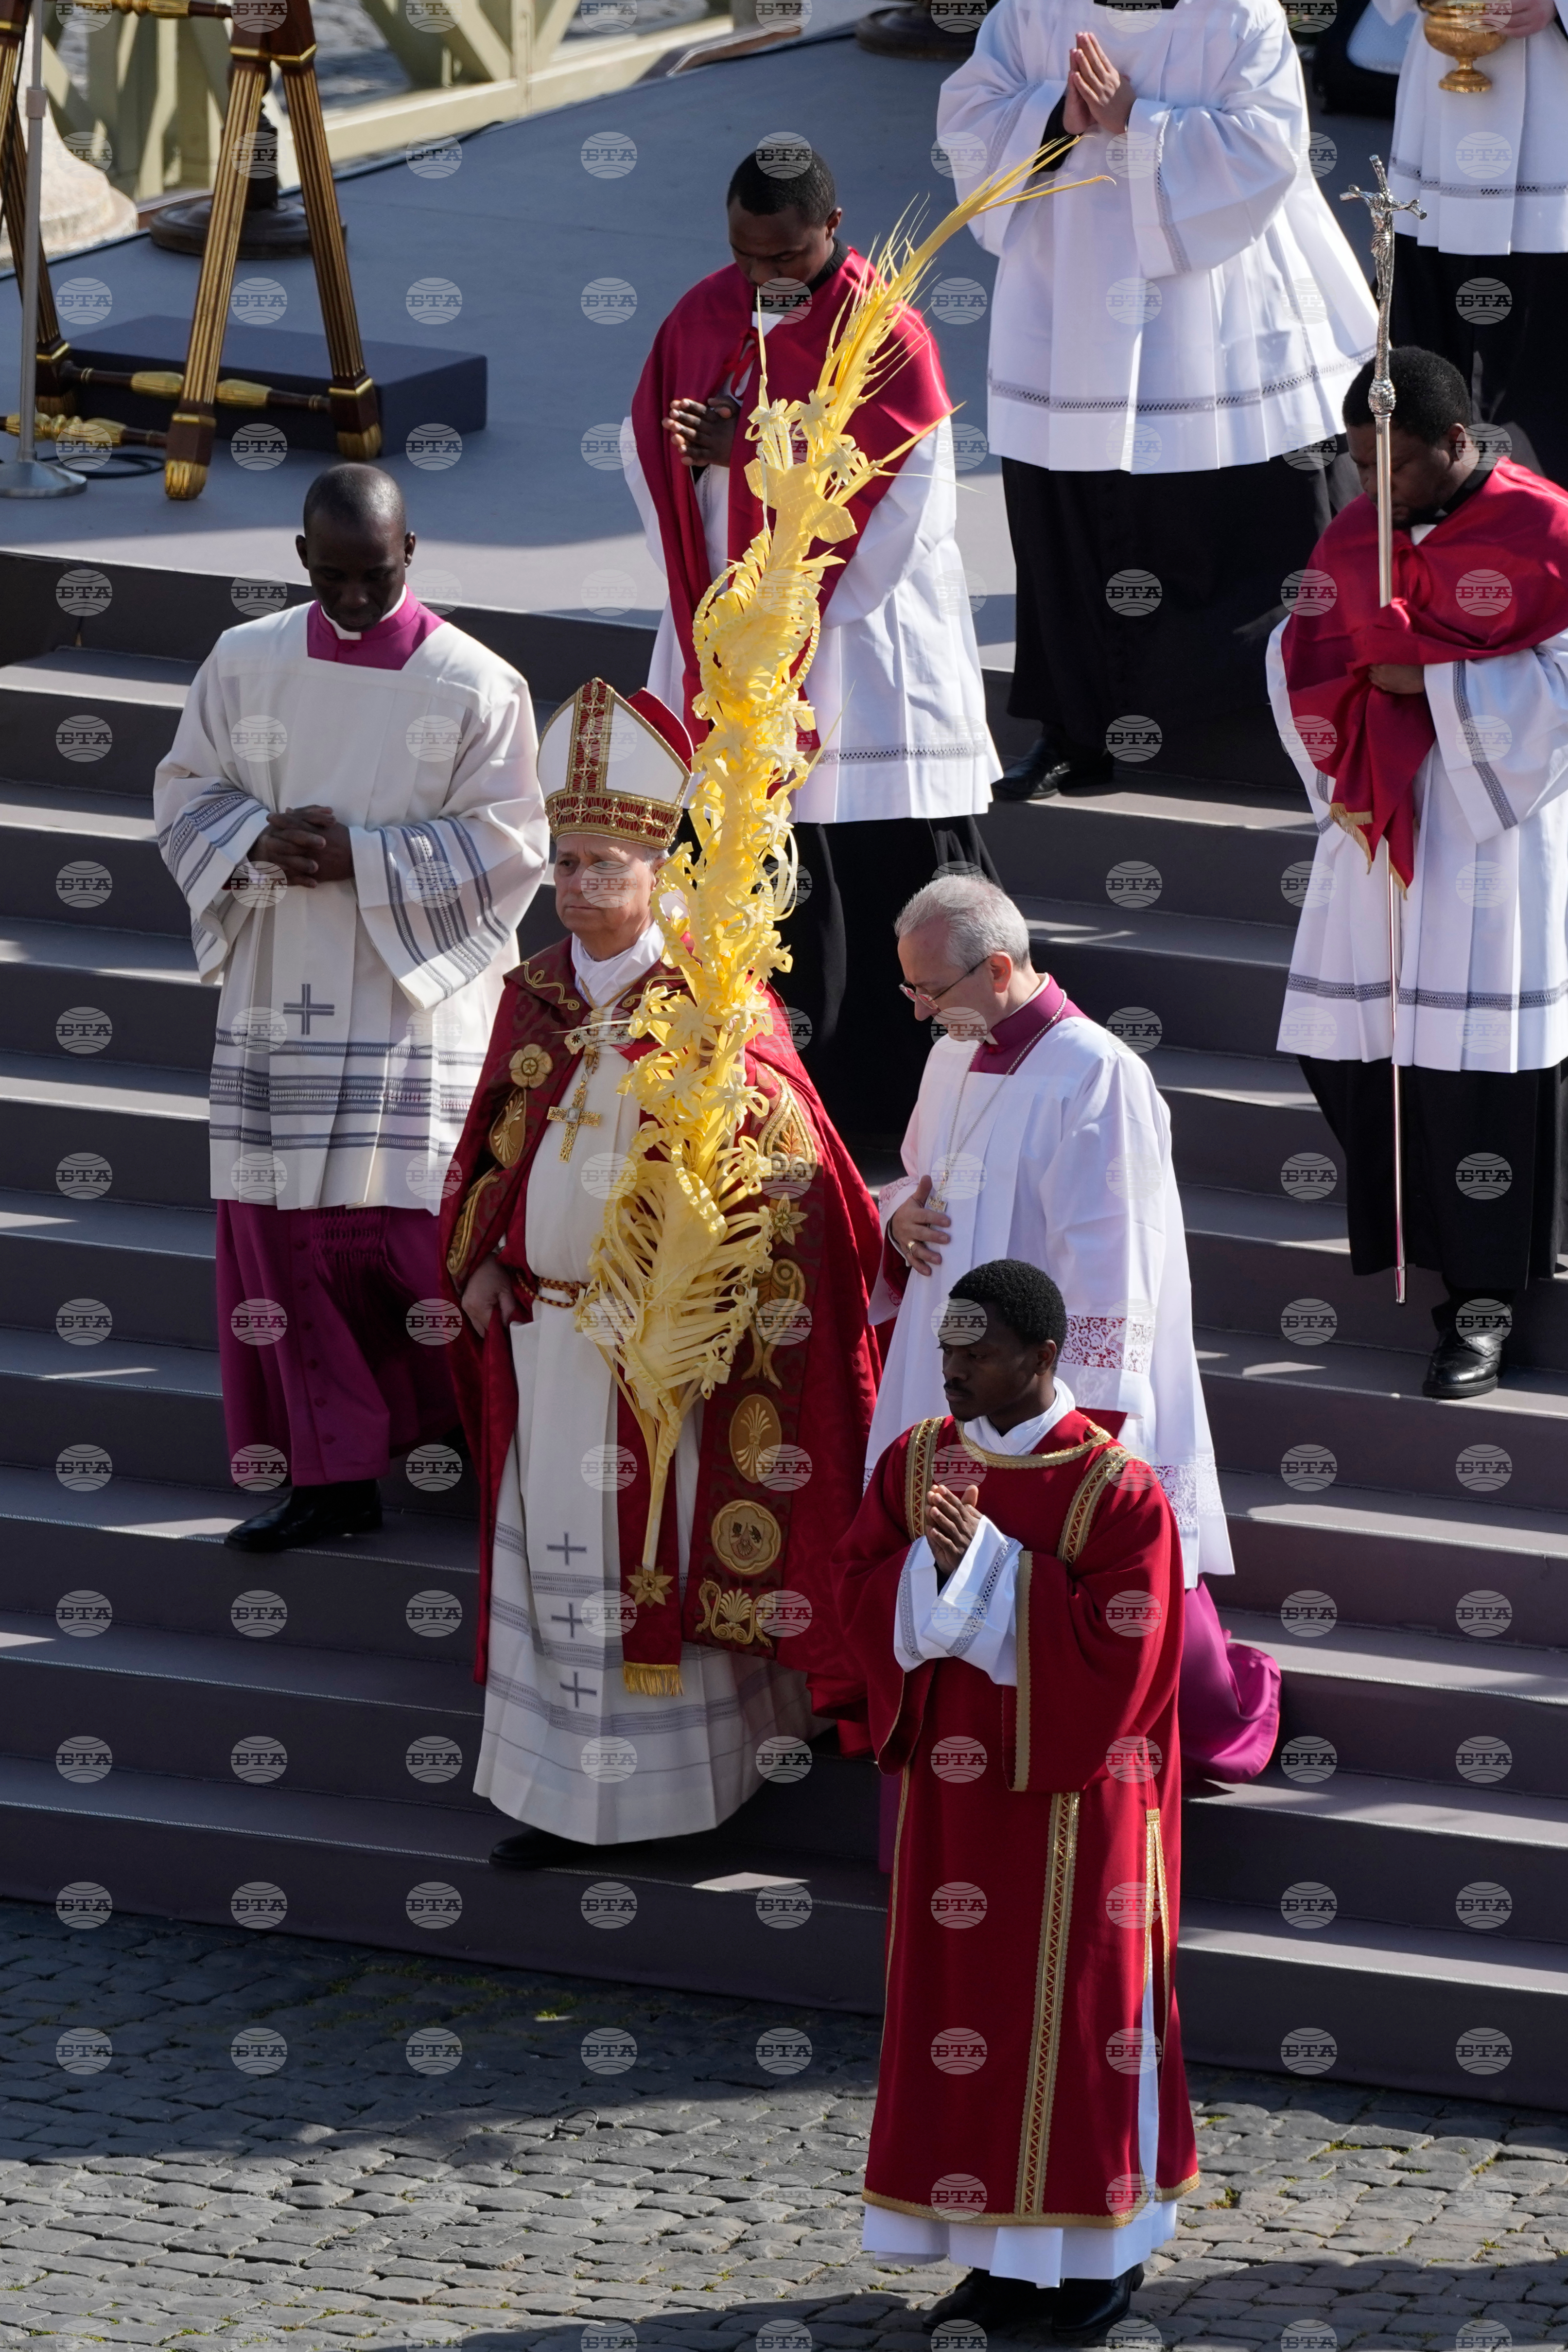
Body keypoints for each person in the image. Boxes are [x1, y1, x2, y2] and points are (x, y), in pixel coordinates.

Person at [439, 677, 885, 1867]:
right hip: (545, 1336)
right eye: (562, 862)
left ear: (656, 868)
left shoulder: (711, 1007)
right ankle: (552, 1797)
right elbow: (490, 1143)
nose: (575, 886)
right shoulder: (532, 997)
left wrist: (705, 1293)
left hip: (664, 1360)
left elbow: (800, 1174)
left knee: (653, 1555)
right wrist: (479, 1261)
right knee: (555, 1566)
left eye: (599, 865)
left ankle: (673, 1797)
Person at [154, 463, 545, 1552]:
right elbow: (186, 790)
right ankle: (331, 1477)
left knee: (417, 1240)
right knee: (290, 1247)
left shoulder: (477, 683)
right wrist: (253, 839)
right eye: (332, 576)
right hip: (281, 993)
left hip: (407, 1005)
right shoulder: (247, 661)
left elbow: (515, 845)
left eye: (374, 575)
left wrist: (361, 859)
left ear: (410, 554)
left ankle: (474, 1441)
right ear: (300, 559)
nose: (355, 598)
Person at [834, 1257, 1198, 2338]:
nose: (951, 1371)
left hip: (1075, 1817)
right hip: (956, 1810)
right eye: (946, 1350)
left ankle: (1091, 2265)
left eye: (976, 1353)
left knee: (1075, 2025)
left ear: (1042, 1358)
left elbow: (1122, 1666)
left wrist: (986, 1567)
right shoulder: (912, 1465)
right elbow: (855, 1589)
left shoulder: (1118, 1491)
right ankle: (992, 2258)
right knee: (965, 2015)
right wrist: (923, 1577)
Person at [622, 140, 998, 1135]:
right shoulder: (700, 313)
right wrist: (694, 462)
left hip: (852, 656)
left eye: (783, 258)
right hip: (726, 637)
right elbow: (644, 451)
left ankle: (900, 1107)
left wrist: (741, 455)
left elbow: (898, 495)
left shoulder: (887, 334)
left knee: (868, 872)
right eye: (745, 256)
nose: (762, 280)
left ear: (831, 231)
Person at [869, 873, 1278, 1781]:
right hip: (947, 1356)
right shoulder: (950, 1053)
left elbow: (1113, 1260)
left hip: (1041, 1390)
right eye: (911, 990)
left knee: (1085, 1577)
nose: (919, 1013)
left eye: (930, 992)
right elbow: (913, 1175)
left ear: (1001, 967)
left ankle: (1191, 1717)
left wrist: (1082, 1430)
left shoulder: (1098, 1073)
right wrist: (895, 1214)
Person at [936, 0, 1378, 800]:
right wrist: (1055, 116)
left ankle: (1294, 721)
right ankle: (1074, 733)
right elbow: (969, 112)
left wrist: (1137, 118)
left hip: (1215, 312)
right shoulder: (1035, 12)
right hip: (1066, 298)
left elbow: (1267, 146)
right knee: (1070, 520)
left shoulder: (1239, 17)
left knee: (1249, 514)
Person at [1272, 347, 1568, 1400]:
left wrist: (1431, 680)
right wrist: (1359, 678)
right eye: (1357, 466)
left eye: (1393, 467)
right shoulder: (1357, 531)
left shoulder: (1543, 530)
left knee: (1477, 1083)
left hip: (1489, 840)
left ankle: (1474, 1312)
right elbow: (1298, 648)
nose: (1373, 490)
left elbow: (1559, 683)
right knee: (1351, 1061)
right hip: (1374, 834)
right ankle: (1424, 1240)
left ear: (1454, 443)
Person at [1379, 0, 1568, 486]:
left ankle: (1543, 528)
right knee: (1430, 366)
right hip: (1438, 123)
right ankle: (1439, 530)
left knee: (1540, 375)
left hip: (1551, 131)